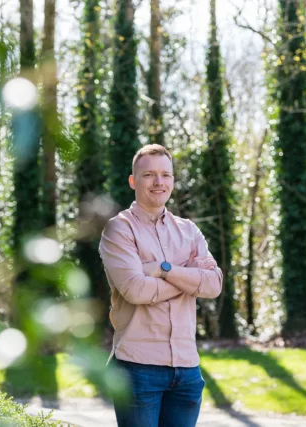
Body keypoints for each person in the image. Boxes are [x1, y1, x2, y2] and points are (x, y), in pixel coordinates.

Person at [99, 144, 223, 427]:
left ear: (173, 181)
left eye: (166, 175)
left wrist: (163, 270)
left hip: (187, 369)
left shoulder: (189, 230)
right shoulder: (119, 229)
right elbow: (136, 290)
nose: (159, 182)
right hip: (138, 368)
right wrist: (189, 277)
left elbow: (214, 284)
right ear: (133, 180)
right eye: (149, 175)